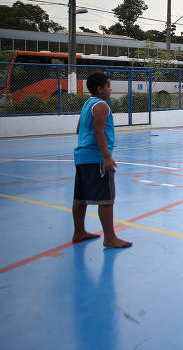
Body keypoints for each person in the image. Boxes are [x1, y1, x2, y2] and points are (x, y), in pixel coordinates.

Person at [73, 72, 131, 248]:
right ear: (99, 89)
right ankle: (110, 237)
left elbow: (78, 129)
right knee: (106, 198)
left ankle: (79, 231)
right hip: (96, 157)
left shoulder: (87, 104)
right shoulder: (101, 106)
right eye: (108, 86)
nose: (110, 89)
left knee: (80, 198)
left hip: (82, 156)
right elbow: (99, 132)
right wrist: (106, 156)